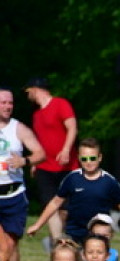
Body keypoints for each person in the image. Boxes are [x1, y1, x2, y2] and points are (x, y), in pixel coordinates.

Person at [25, 138, 120, 247]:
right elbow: (55, 203)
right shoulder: (72, 178)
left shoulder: (109, 181)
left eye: (92, 158)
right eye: (84, 159)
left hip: (98, 234)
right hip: (73, 232)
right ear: (79, 158)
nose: (88, 162)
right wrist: (37, 225)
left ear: (100, 157)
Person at [0, 86, 45, 261]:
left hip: (14, 193)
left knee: (10, 246)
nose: (8, 106)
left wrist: (24, 161)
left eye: (10, 103)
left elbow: (40, 153)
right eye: (3, 103)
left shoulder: (19, 129)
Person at [24, 77, 77, 250]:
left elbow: (72, 127)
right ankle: (57, 247)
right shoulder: (36, 115)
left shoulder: (60, 104)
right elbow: (39, 141)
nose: (27, 94)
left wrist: (66, 149)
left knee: (65, 210)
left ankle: (65, 239)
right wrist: (34, 161)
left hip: (67, 166)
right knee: (50, 205)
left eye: (28, 91)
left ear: (36, 89)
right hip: (45, 167)